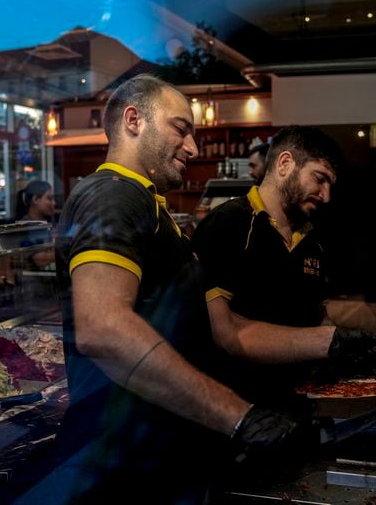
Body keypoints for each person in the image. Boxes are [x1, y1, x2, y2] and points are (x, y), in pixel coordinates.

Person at [19, 75, 332, 504]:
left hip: (164, 459)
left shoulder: (152, 208)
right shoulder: (113, 196)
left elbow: (224, 327)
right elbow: (103, 330)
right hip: (123, 466)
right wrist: (239, 417)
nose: (192, 148)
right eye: (180, 128)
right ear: (134, 120)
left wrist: (331, 341)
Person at [192, 125, 376, 406]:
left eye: (330, 186)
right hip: (242, 408)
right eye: (320, 179)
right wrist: (329, 341)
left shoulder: (313, 240)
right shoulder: (227, 225)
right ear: (285, 163)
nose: (326, 196)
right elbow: (226, 336)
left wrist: (346, 350)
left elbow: (317, 317)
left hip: (299, 400)